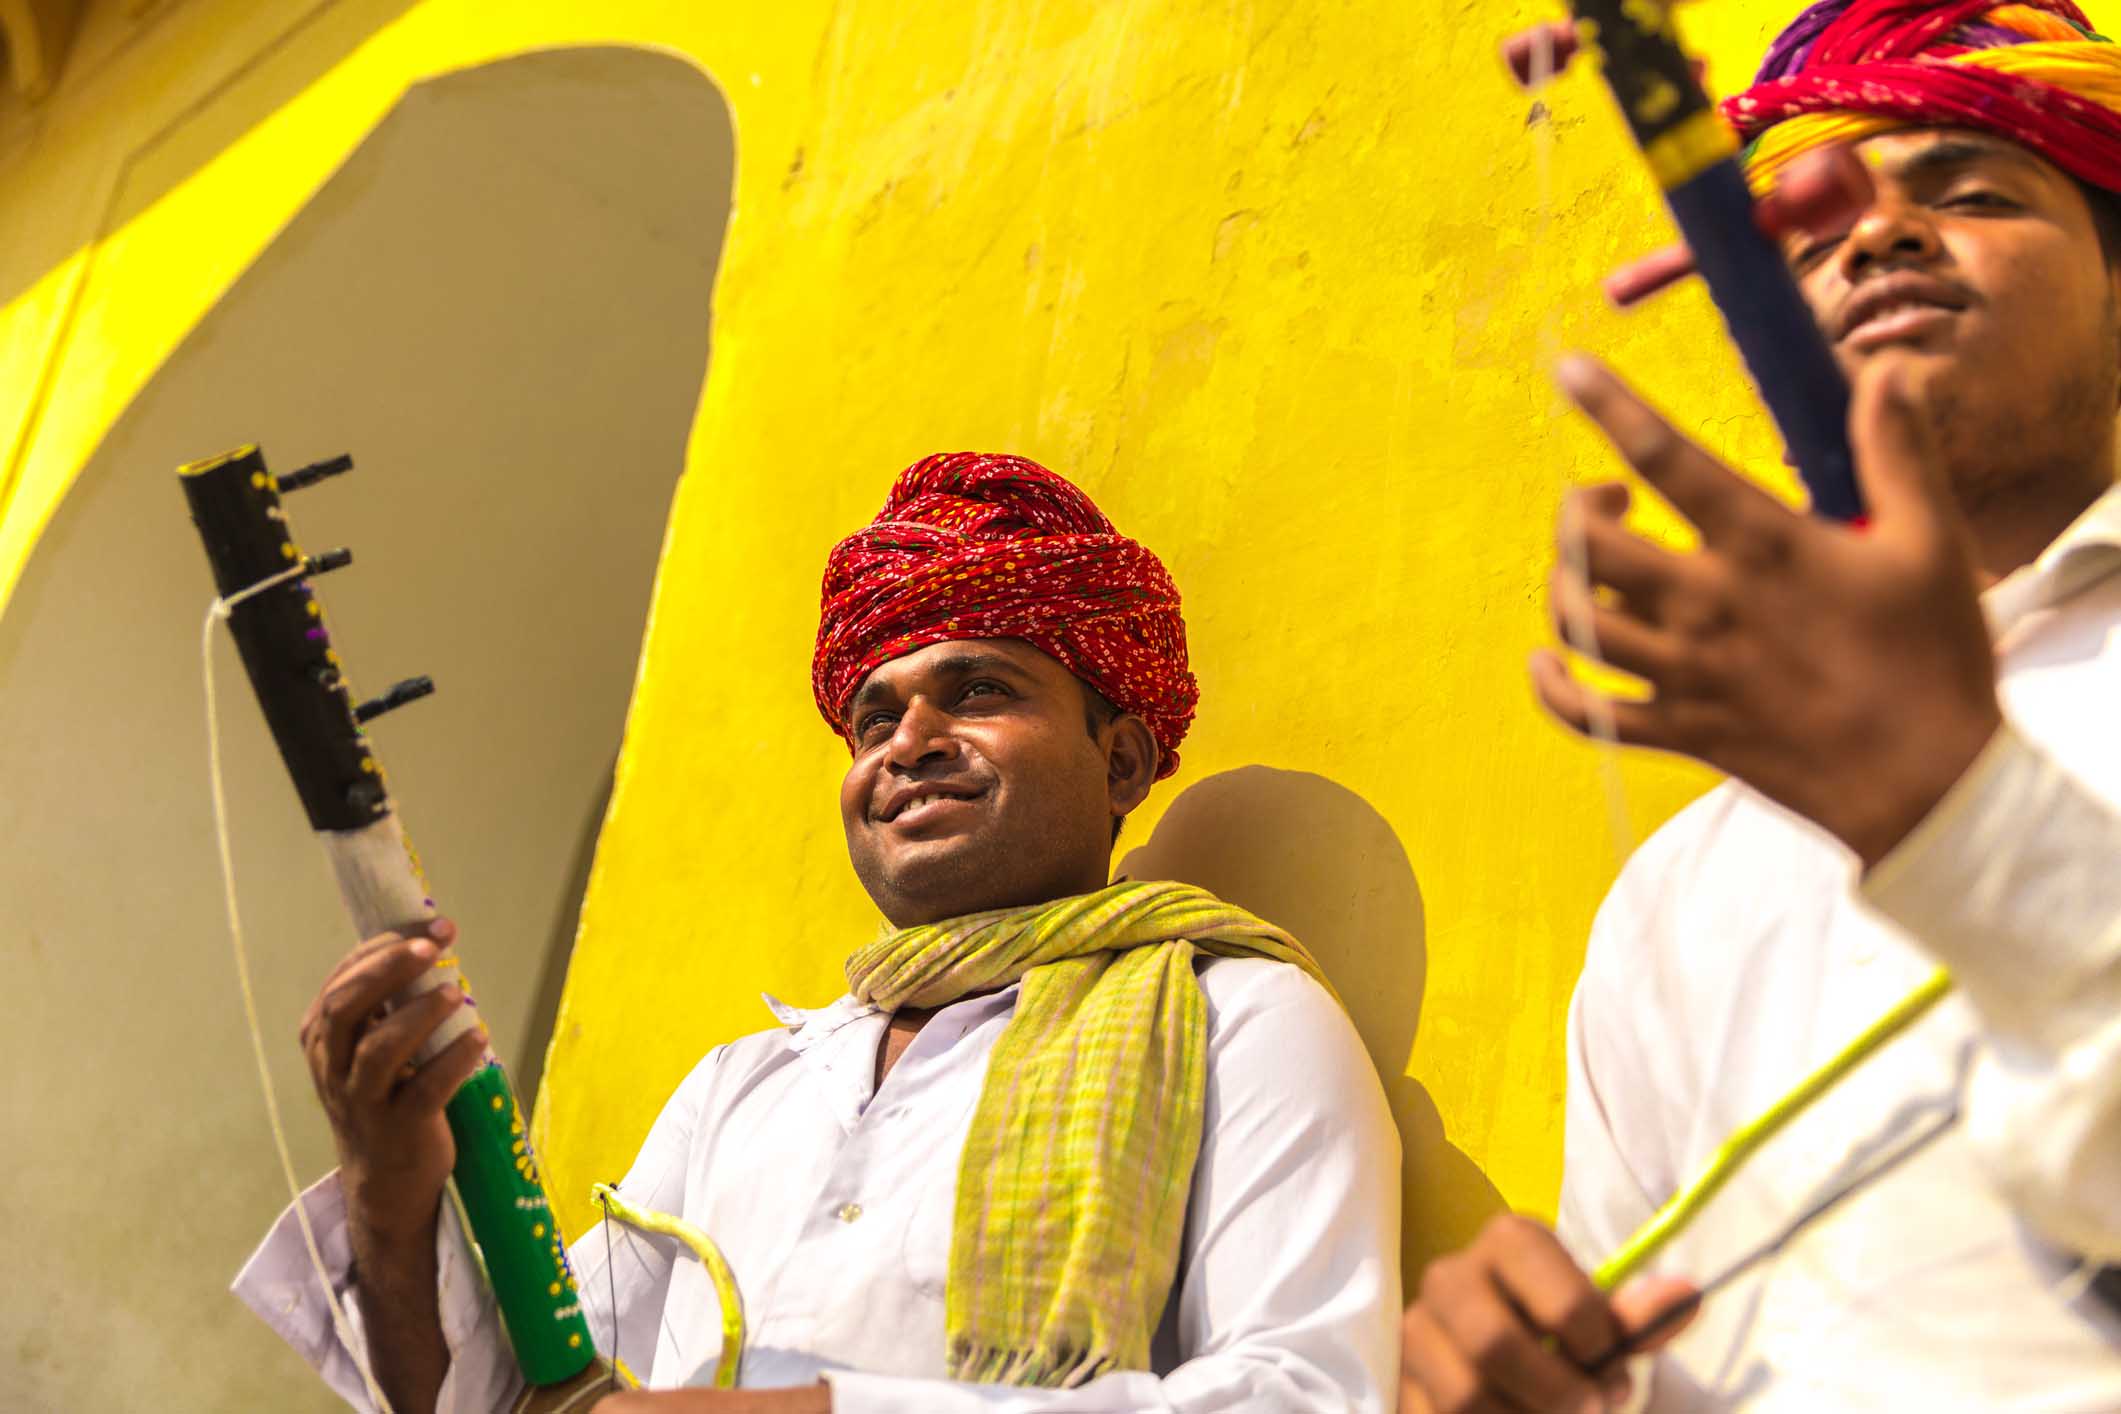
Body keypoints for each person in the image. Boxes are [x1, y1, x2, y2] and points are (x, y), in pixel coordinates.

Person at [236, 453, 1401, 1412]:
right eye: (874, 718)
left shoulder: (1233, 1017)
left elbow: (1306, 1393)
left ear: (1122, 759)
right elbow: (515, 1402)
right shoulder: (746, 1087)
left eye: (981, 690)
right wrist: (391, 1203)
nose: (909, 740)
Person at [1400, 1, 2121, 1409]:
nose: (1881, 236)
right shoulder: (1677, 890)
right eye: (1814, 230)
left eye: (1974, 191)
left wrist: (1954, 817)